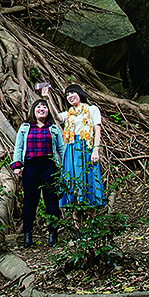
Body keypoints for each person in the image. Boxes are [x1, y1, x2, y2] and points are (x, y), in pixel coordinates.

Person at [11, 98, 65, 247]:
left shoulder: (53, 128)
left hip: (49, 166)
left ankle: (53, 234)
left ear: (48, 111)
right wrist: (17, 165)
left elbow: (61, 148)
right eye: (38, 107)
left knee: (51, 201)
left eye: (45, 107)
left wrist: (66, 166)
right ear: (33, 111)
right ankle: (28, 235)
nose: (42, 109)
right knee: (30, 201)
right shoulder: (25, 127)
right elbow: (18, 147)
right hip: (30, 167)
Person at [56, 84, 105, 215]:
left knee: (89, 177)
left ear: (79, 93)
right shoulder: (68, 114)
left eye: (72, 92)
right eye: (67, 95)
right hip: (71, 148)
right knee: (72, 179)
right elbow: (57, 117)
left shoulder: (92, 109)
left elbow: (97, 130)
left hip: (86, 146)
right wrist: (47, 97)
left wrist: (96, 150)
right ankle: (76, 220)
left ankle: (91, 217)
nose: (70, 96)